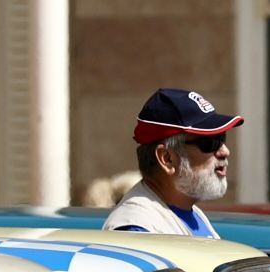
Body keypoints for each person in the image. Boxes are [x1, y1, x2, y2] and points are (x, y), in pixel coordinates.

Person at [103, 88, 243, 237]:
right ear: (167, 159)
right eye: (210, 142)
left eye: (222, 138)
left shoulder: (191, 212)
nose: (225, 151)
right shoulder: (138, 229)